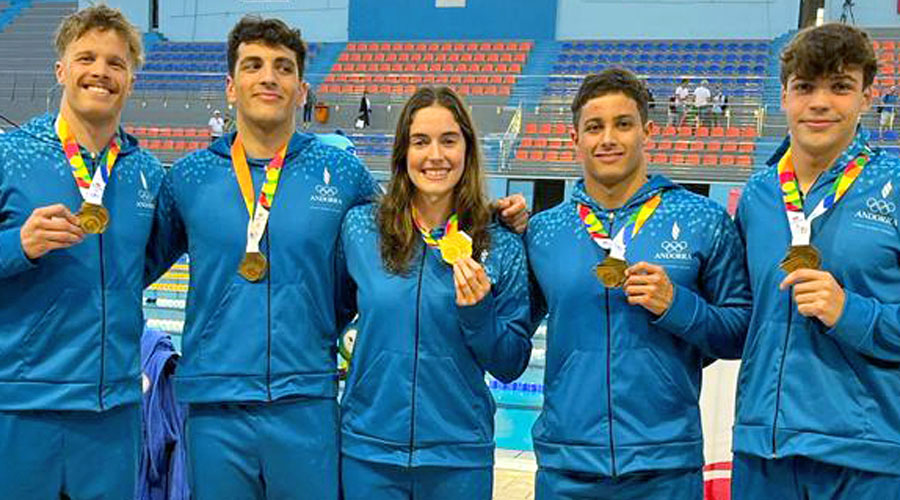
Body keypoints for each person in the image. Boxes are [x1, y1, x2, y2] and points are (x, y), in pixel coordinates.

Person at [145, 16, 530, 500]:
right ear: (230, 85)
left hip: (306, 402)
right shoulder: (188, 176)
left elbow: (407, 220)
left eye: (283, 67)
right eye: (254, 66)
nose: (269, 77)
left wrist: (489, 214)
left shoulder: (342, 173)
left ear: (302, 89)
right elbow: (130, 270)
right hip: (215, 405)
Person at [525, 68, 751, 500]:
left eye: (622, 124)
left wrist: (677, 306)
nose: (608, 138)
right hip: (566, 468)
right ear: (575, 139)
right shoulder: (544, 231)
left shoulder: (701, 219)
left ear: (648, 131)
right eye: (595, 126)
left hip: (665, 466)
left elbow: (740, 331)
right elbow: (511, 343)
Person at [338, 86, 533, 500]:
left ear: (467, 149)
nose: (435, 156)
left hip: (458, 458)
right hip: (369, 452)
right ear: (402, 152)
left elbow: (512, 363)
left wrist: (479, 314)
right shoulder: (360, 229)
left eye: (449, 140)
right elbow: (326, 315)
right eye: (420, 141)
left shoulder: (501, 244)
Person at [0, 6, 164, 498]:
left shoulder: (147, 173)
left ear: (131, 79)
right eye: (86, 57)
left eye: (116, 63)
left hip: (111, 411)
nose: (101, 72)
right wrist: (17, 246)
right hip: (23, 404)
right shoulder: (11, 154)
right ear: (61, 70)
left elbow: (145, 265)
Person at [731, 23, 900, 499]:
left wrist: (852, 314)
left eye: (840, 86)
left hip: (865, 457)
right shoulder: (759, 195)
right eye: (805, 87)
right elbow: (740, 313)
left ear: (867, 97)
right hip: (762, 452)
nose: (820, 102)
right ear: (784, 96)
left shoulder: (895, 184)